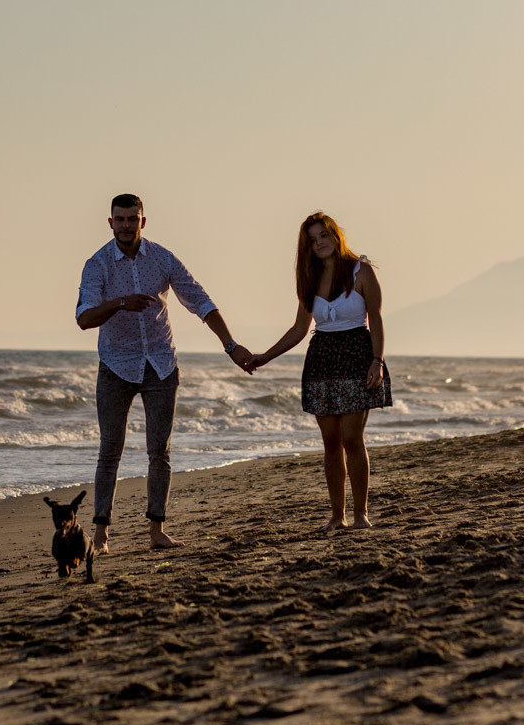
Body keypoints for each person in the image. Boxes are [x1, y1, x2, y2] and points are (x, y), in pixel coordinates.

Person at [76, 193, 253, 552]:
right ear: (110, 223)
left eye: (133, 218)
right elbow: (83, 318)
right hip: (115, 364)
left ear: (144, 221)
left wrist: (231, 345)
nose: (126, 225)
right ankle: (101, 535)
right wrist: (120, 303)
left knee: (160, 451)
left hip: (160, 363)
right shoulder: (97, 265)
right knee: (110, 450)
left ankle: (157, 531)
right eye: (120, 219)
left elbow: (199, 300)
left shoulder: (162, 258)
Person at [247, 212, 390, 530]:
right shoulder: (309, 280)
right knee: (330, 442)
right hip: (322, 359)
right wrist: (266, 356)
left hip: (357, 355)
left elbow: (376, 320)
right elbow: (300, 329)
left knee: (352, 439)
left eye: (323, 235)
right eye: (312, 240)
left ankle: (360, 514)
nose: (319, 243)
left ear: (336, 235)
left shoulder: (360, 270)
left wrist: (377, 361)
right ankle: (337, 517)